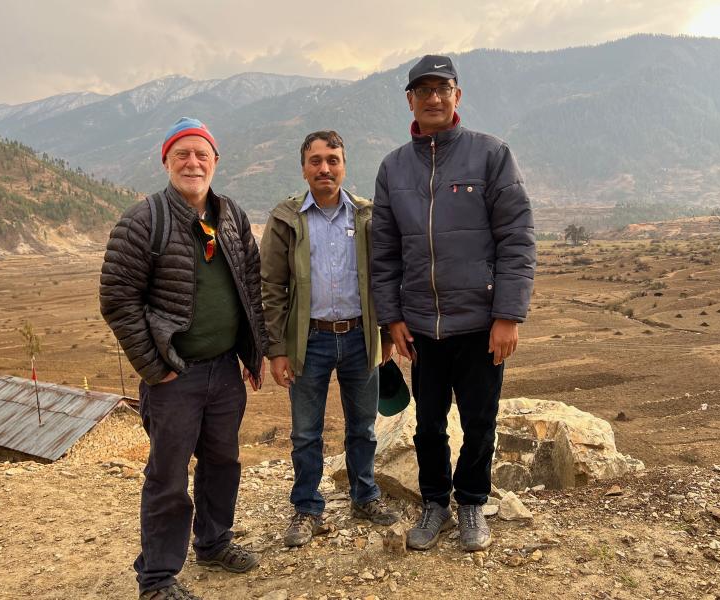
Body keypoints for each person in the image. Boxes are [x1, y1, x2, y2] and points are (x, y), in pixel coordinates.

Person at [371, 55, 536, 552]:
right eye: (424, 91)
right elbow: (384, 251)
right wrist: (392, 317)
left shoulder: (491, 155)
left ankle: (471, 504)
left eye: (443, 89)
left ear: (457, 96)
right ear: (410, 101)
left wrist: (508, 315)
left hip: (481, 324)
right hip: (421, 325)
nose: (434, 98)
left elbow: (517, 238)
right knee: (427, 424)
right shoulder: (393, 167)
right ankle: (434, 501)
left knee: (480, 421)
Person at [100, 117, 268, 600]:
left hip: (223, 371)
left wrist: (252, 354)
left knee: (223, 461)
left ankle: (213, 543)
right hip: (174, 376)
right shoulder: (143, 220)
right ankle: (156, 577)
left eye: (202, 155)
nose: (193, 163)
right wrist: (155, 367)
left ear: (215, 162)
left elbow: (250, 286)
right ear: (167, 161)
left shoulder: (231, 215)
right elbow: (116, 298)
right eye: (183, 154)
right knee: (168, 476)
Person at [260, 130, 401, 547]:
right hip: (310, 341)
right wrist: (277, 349)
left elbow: (383, 278)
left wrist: (385, 333)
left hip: (360, 336)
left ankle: (365, 496)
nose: (325, 168)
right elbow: (271, 285)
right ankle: (307, 507)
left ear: (344, 164)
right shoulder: (286, 219)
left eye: (333, 159)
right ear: (303, 168)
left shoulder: (365, 215)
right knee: (306, 432)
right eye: (316, 160)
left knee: (364, 428)